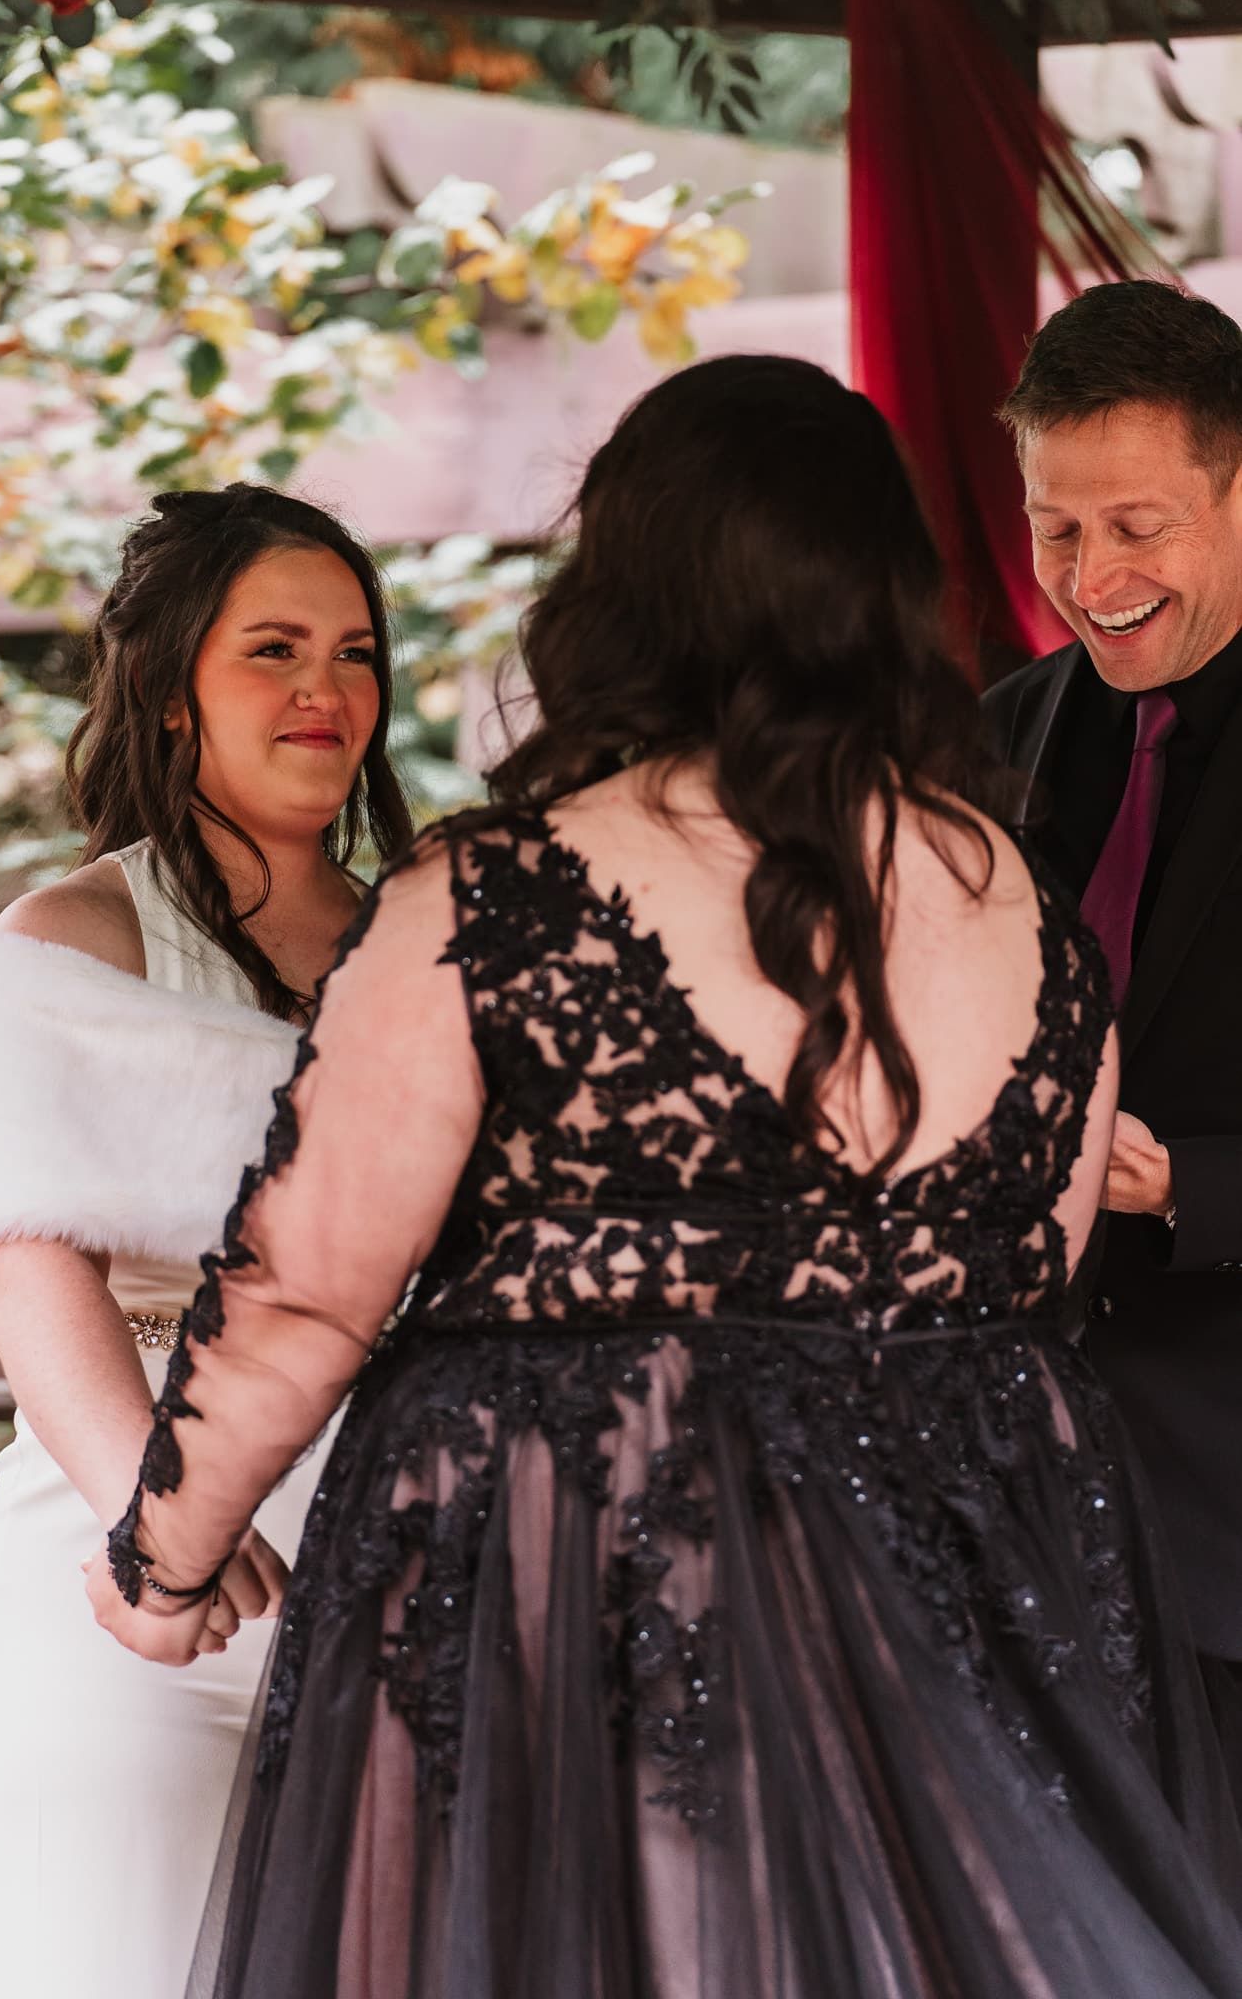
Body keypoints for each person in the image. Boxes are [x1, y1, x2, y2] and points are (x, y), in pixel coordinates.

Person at [91, 359, 1242, 1999]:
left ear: (621, 580)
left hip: (572, 1613)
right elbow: (1038, 1282)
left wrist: (163, 1565)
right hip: (954, 1614)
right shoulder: (1019, 918)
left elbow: (304, 1292)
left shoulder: (496, 890)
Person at [0, 485, 412, 1999]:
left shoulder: (430, 943)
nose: (325, 689)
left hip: (403, 1573)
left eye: (356, 651)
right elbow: (27, 1263)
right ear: (174, 692)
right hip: (122, 1574)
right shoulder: (64, 942)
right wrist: (156, 1530)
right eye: (274, 649)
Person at [986, 280, 1242, 1782]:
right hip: (1011, 1511)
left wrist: (1187, 1188)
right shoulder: (985, 738)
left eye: (1135, 523)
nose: (1091, 576)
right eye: (1056, 527)